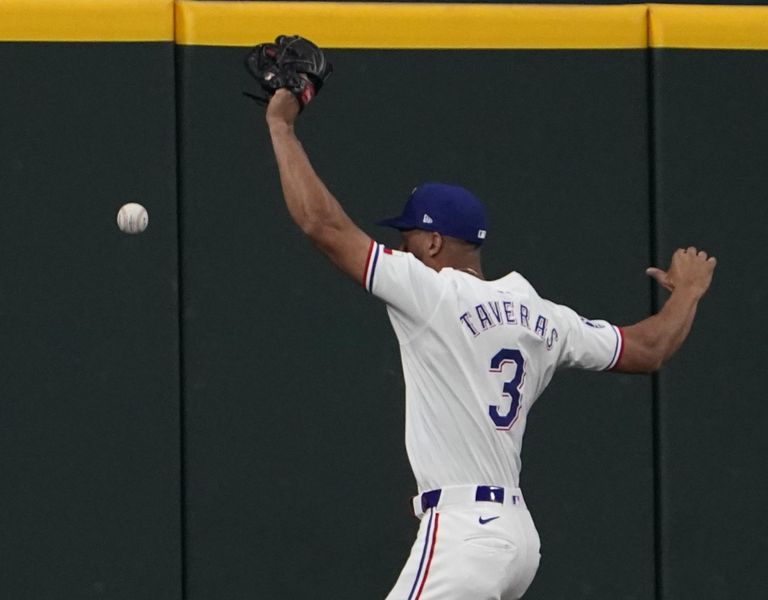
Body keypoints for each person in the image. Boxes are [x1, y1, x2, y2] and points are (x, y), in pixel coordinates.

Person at [264, 88, 716, 599]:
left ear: (433, 242)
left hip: (463, 531)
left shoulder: (431, 291)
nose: (402, 244)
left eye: (409, 234)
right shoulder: (541, 314)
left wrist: (282, 126)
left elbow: (322, 225)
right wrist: (690, 293)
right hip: (517, 536)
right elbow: (649, 349)